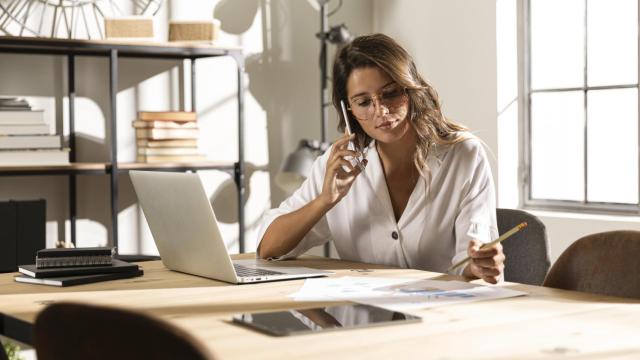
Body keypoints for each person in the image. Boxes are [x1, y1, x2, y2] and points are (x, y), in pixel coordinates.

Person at [257, 33, 504, 283]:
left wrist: (480, 265)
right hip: (362, 316)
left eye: (390, 93)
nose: (381, 111)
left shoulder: (463, 156)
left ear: (409, 89)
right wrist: (325, 200)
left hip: (440, 313)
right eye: (364, 102)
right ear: (349, 110)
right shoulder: (338, 164)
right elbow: (268, 249)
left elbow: (472, 260)